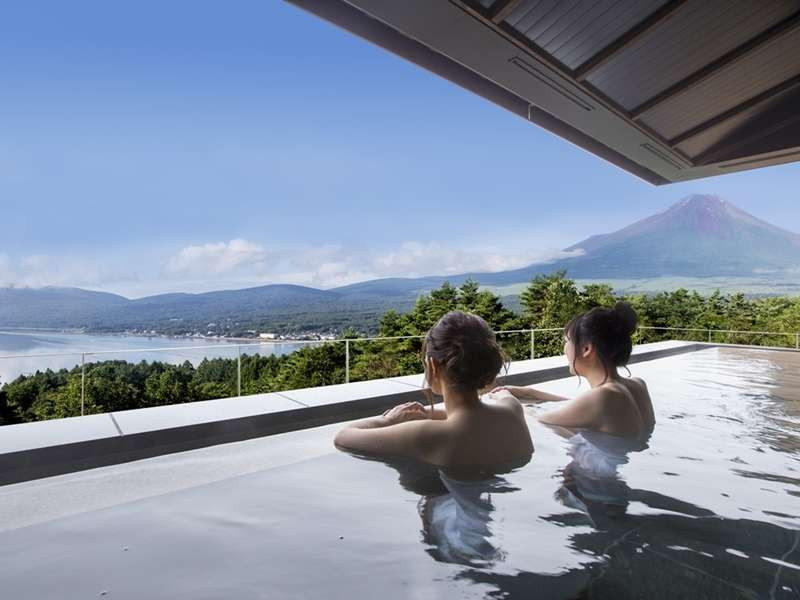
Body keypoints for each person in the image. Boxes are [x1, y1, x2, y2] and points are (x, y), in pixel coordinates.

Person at [334, 310, 533, 470]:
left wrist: (388, 420)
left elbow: (343, 436)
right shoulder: (513, 409)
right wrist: (429, 413)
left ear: (432, 366)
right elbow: (478, 413)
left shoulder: (424, 434)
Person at [494, 302, 654, 437]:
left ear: (586, 349)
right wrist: (531, 392)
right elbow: (576, 406)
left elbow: (539, 419)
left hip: (599, 466)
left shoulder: (603, 397)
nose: (564, 348)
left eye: (567, 341)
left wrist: (505, 398)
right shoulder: (637, 385)